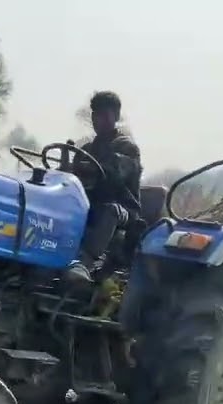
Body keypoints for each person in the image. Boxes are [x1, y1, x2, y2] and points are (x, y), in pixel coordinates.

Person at [65, 91, 142, 284]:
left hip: (124, 211)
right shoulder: (86, 149)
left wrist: (84, 169)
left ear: (115, 117)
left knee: (112, 210)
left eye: (104, 115)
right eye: (95, 115)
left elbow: (114, 174)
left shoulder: (127, 148)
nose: (98, 120)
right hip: (89, 205)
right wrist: (66, 170)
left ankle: (85, 262)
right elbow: (70, 177)